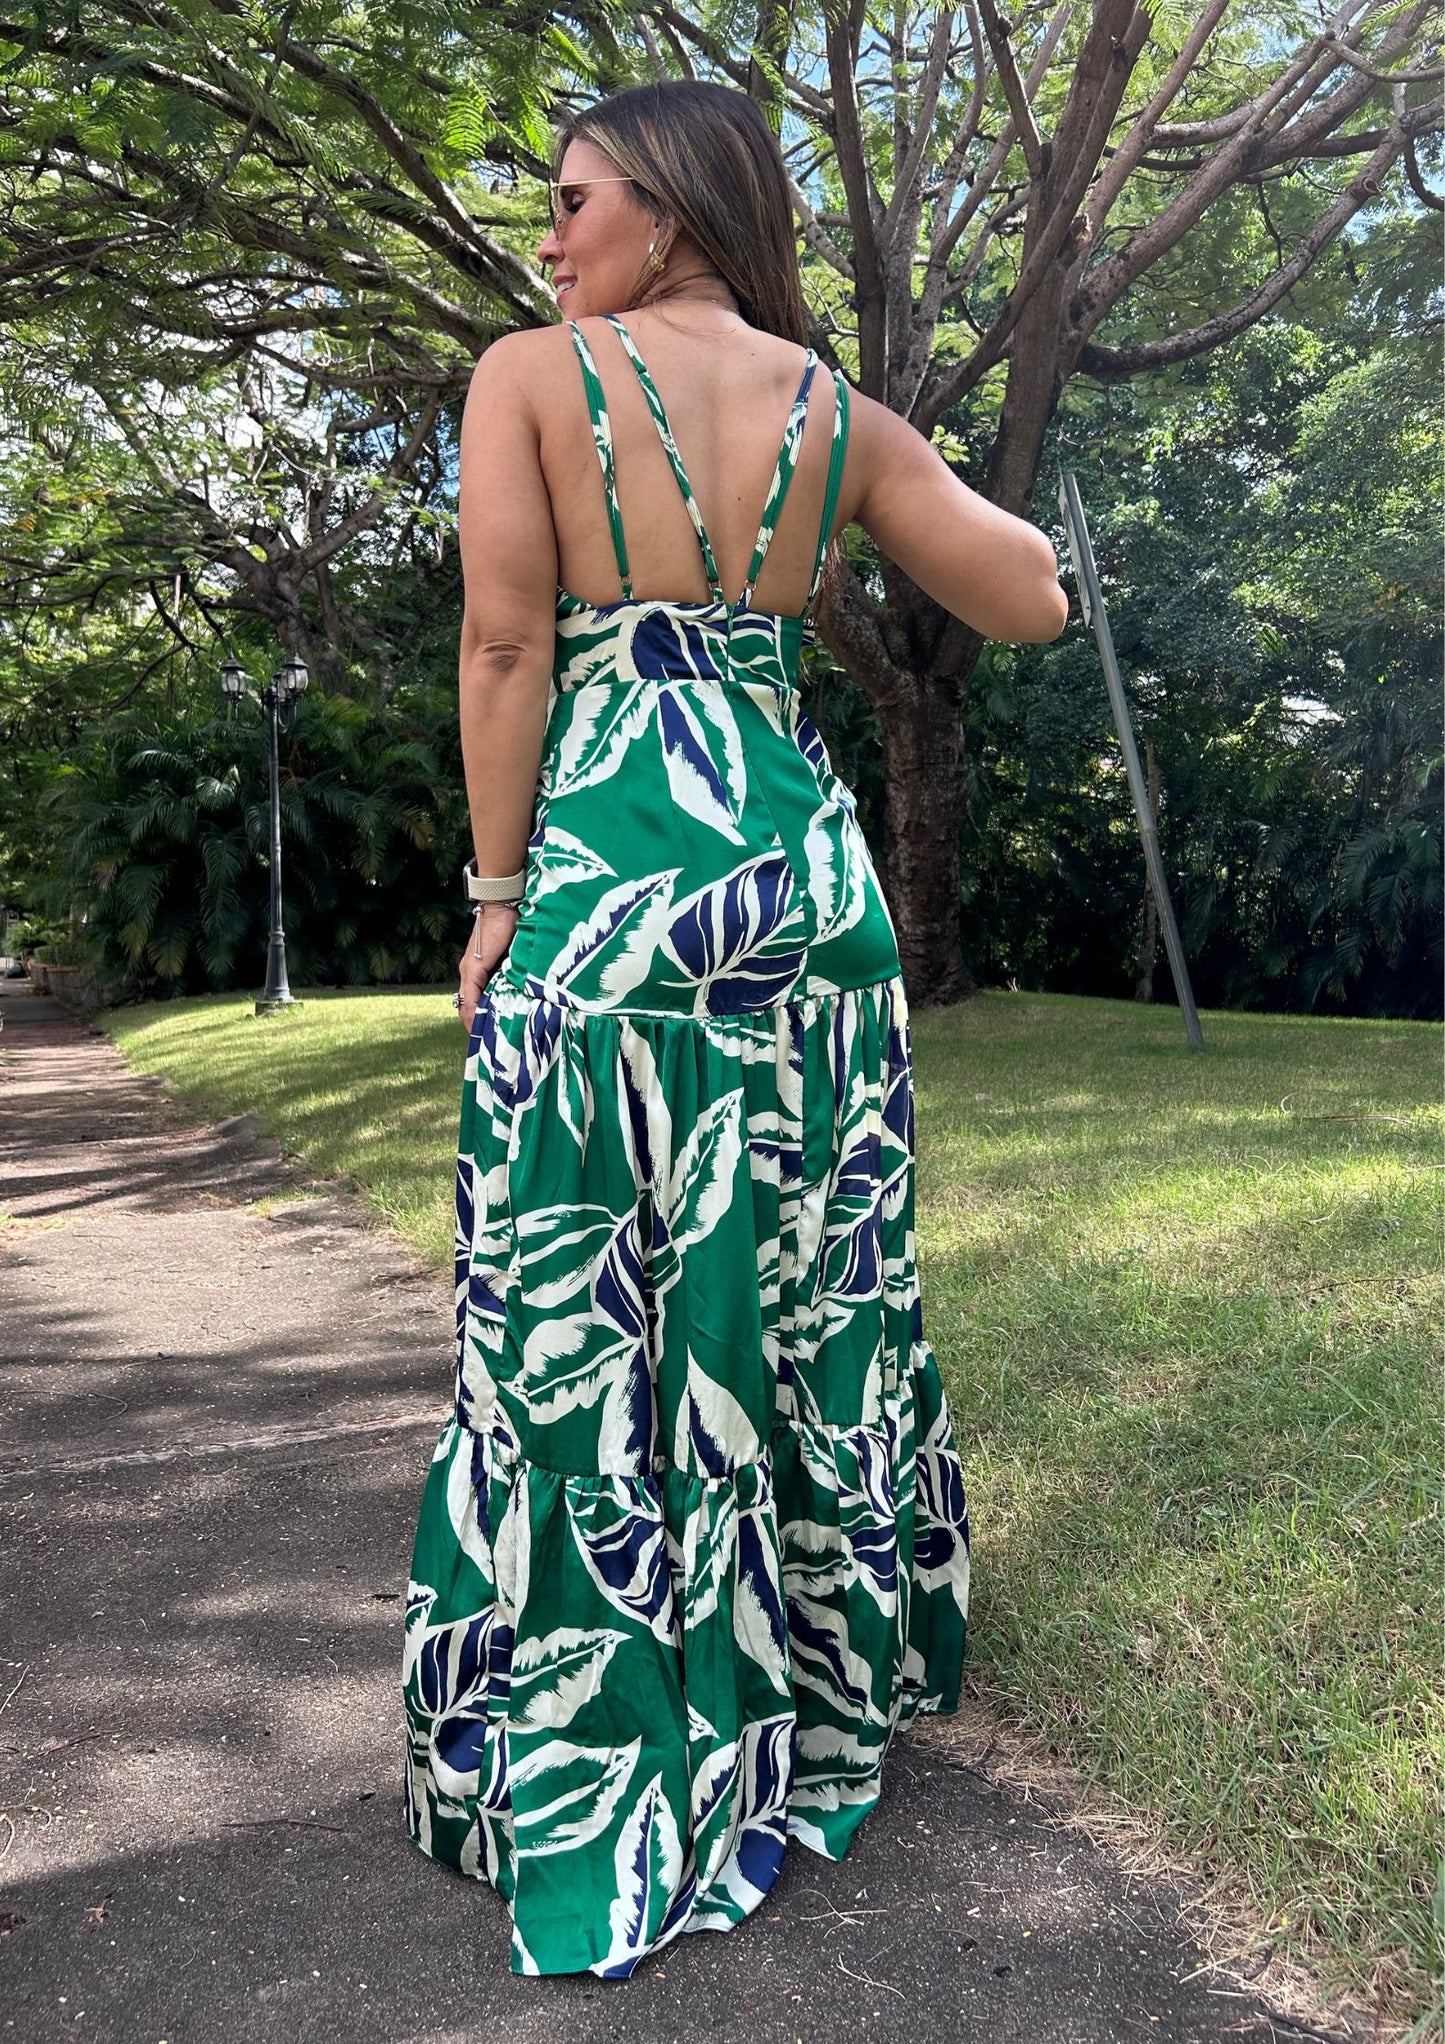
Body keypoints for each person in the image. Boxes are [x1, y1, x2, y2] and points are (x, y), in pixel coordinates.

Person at [401, 79, 1068, 1980]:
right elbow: (1017, 598)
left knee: (588, 1291)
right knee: (801, 1270)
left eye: (573, 200)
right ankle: (822, 1668)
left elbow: (509, 646)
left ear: (669, 217)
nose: (552, 238)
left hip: (615, 878)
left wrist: (496, 901)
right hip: (794, 885)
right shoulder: (833, 409)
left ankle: (608, 1719)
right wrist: (1017, 524)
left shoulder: (532, 376)